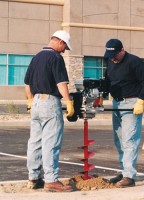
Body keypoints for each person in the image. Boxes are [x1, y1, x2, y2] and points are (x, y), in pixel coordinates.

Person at [24, 30, 75, 192]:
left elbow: (27, 83)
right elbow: (61, 83)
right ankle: (51, 180)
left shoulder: (36, 57)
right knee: (51, 142)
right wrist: (69, 102)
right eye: (65, 47)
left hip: (36, 102)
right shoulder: (55, 58)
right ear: (60, 42)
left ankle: (33, 178)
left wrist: (31, 101)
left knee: (35, 141)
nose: (64, 50)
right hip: (50, 102)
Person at [103, 39, 144, 187]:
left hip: (132, 104)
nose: (112, 58)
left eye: (115, 55)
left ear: (122, 50)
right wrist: (100, 96)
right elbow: (108, 80)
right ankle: (124, 171)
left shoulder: (134, 62)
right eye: (110, 55)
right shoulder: (111, 61)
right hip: (116, 103)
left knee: (129, 140)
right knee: (119, 139)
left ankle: (129, 176)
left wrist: (141, 100)